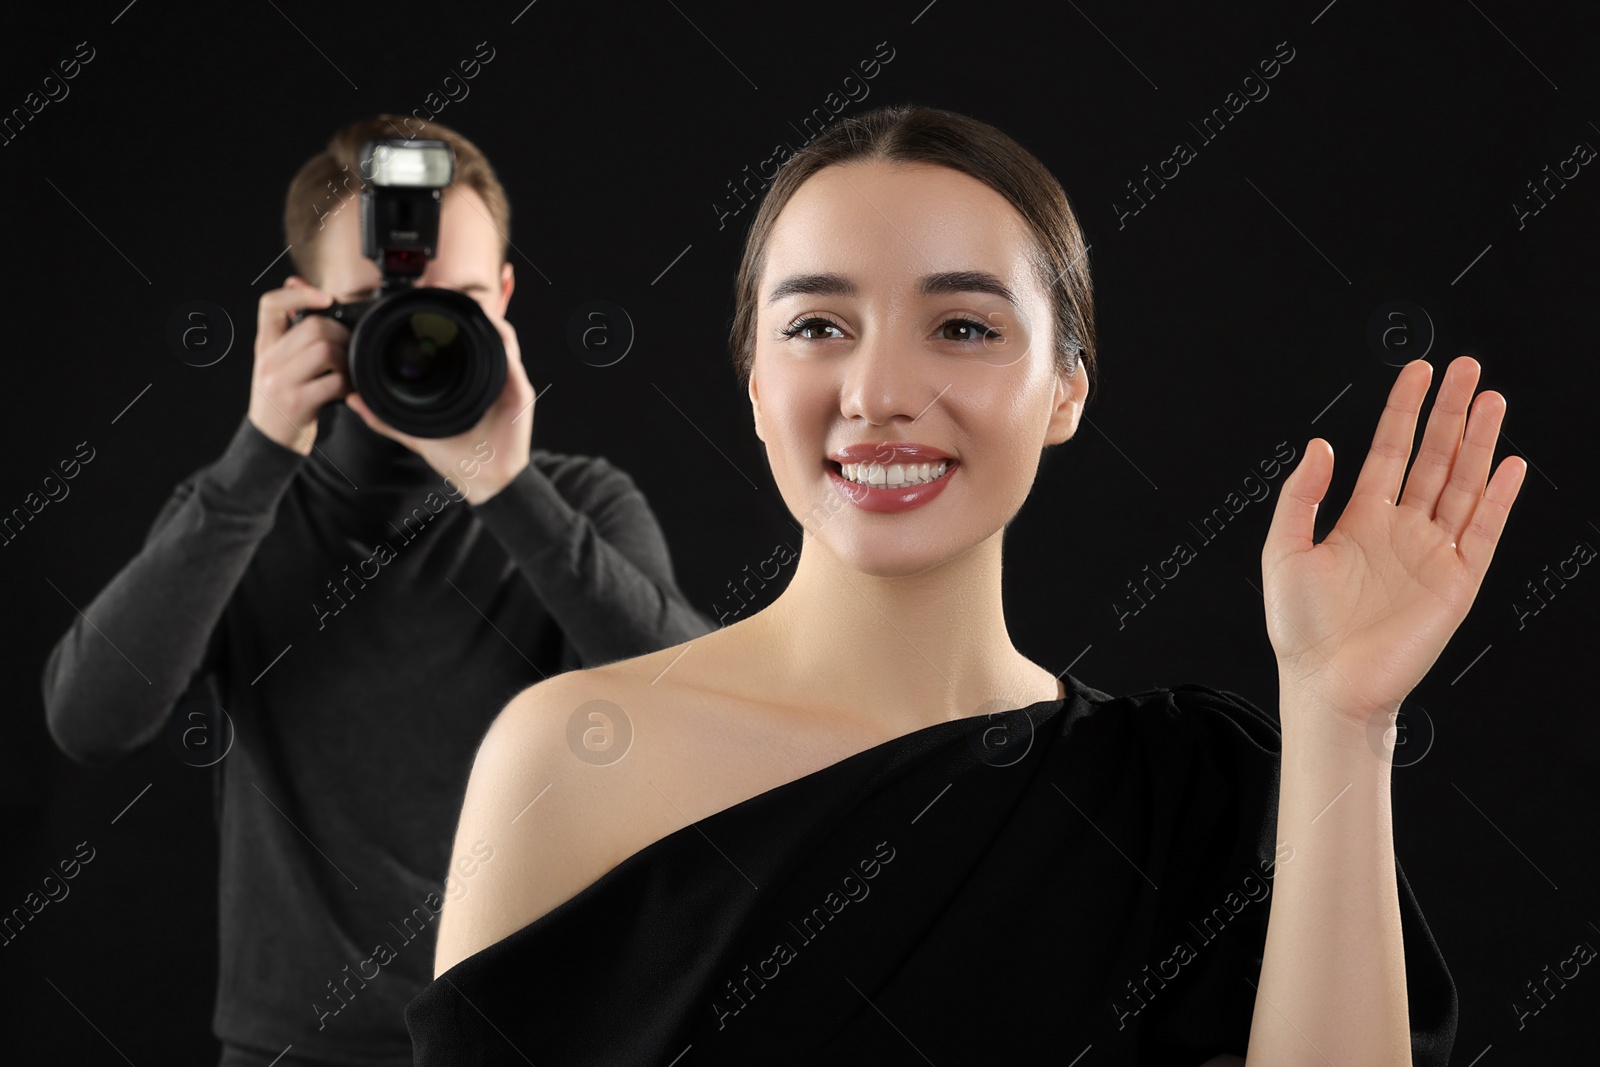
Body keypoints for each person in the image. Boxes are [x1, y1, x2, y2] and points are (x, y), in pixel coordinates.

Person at [405, 105, 1524, 1065]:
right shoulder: (566, 748)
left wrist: (1342, 716)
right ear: (755, 382)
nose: (880, 388)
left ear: (1065, 390)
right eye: (816, 326)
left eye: (962, 326)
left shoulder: (1188, 796)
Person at [39, 114, 715, 1067]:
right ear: (304, 309)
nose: (420, 339)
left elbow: (697, 722)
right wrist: (255, 458)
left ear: (506, 299)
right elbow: (88, 718)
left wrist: (505, 487)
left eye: (456, 304)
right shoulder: (242, 511)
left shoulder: (577, 503)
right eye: (378, 307)